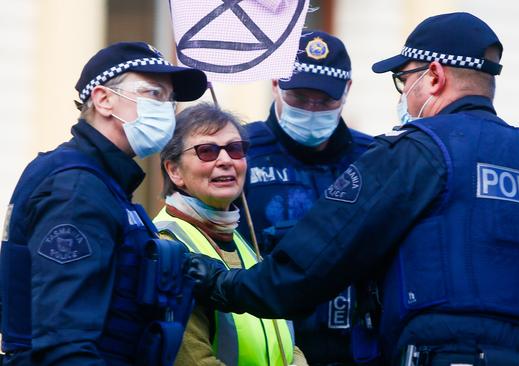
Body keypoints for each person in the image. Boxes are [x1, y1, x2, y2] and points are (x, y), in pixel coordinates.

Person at [185, 13, 519, 366]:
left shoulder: (417, 152)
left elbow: (313, 263)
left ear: (433, 76)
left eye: (405, 79)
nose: (404, 95)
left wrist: (225, 285)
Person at [0, 41, 207, 365]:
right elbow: (64, 346)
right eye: (154, 93)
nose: (166, 108)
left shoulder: (101, 180)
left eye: (169, 99)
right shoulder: (77, 189)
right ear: (104, 99)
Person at [240, 30, 372, 364]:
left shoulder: (374, 158)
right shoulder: (240, 152)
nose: (312, 110)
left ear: (347, 91)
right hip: (270, 342)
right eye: (299, 97)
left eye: (325, 100)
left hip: (356, 347)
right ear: (275, 84)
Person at [153, 103, 307, 366]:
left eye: (235, 149)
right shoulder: (166, 244)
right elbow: (192, 359)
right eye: (207, 151)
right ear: (174, 171)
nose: (225, 161)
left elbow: (284, 338)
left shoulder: (239, 238)